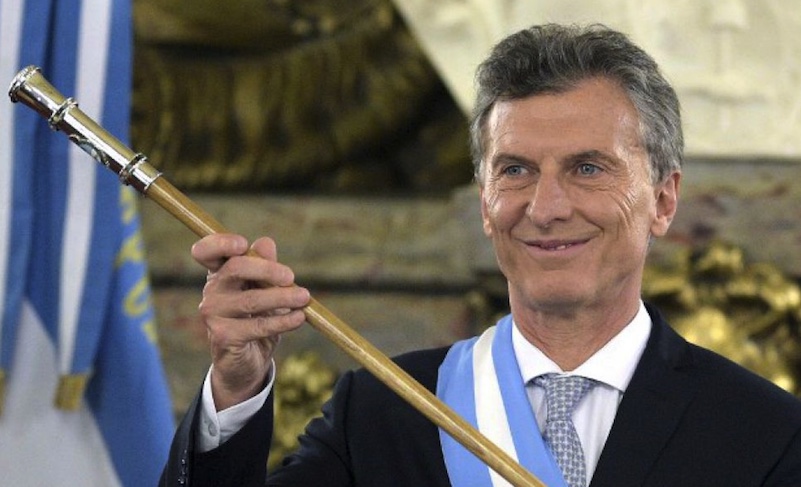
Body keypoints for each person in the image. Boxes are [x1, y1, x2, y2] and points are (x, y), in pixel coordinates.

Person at [159, 23, 801, 487]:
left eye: (587, 168)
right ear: (485, 203)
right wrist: (236, 388)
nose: (546, 207)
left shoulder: (765, 432)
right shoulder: (382, 410)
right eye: (515, 170)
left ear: (663, 200)